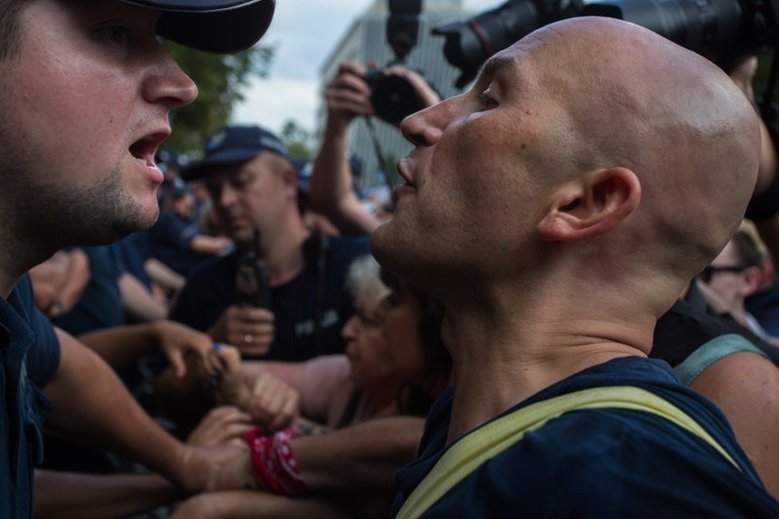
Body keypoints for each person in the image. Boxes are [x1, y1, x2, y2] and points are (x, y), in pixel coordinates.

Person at [367, 16, 779, 516]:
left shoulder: (629, 478)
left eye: (491, 99)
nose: (418, 121)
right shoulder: (501, 426)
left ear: (586, 203)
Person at [0, 0, 275, 516]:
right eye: (113, 32)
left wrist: (191, 466)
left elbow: (56, 366)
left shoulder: (11, 299)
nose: (183, 84)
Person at [169, 124, 371, 361]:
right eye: (214, 190)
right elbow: (161, 385)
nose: (225, 200)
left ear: (288, 182)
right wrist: (210, 347)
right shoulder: (203, 286)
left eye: (241, 182)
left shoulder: (357, 268)